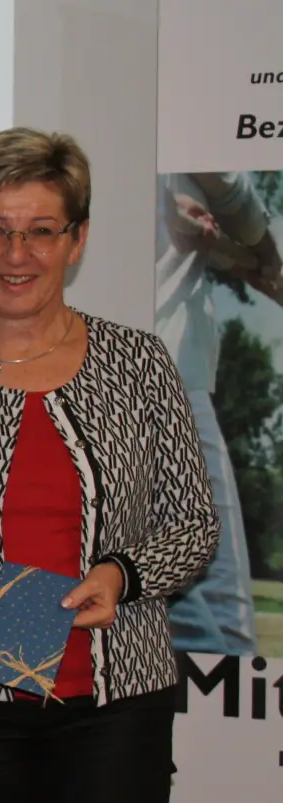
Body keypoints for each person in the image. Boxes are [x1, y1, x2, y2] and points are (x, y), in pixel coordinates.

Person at [0, 127, 221, 803]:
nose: (15, 254)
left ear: (77, 240)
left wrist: (122, 575)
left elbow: (195, 525)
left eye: (40, 231)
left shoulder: (139, 362)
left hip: (115, 709)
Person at [154, 170, 281, 655]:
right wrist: (261, 242)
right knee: (222, 626)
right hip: (165, 379)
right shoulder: (180, 117)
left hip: (67, 379)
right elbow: (223, 182)